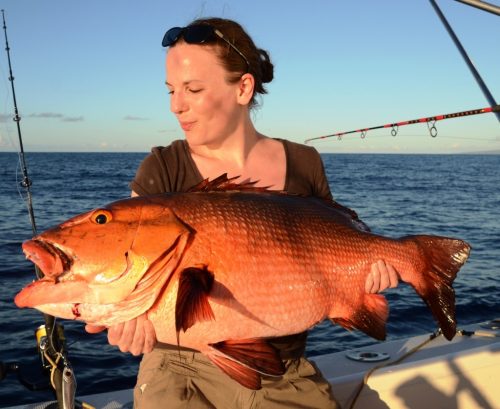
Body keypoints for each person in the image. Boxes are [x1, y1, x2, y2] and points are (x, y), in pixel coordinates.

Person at [86, 17, 398, 408]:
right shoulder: (162, 168)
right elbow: (128, 264)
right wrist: (126, 321)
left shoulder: (304, 163)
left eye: (193, 89)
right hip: (180, 367)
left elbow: (336, 245)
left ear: (243, 88)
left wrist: (364, 277)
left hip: (281, 369)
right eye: (170, 90)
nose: (175, 105)